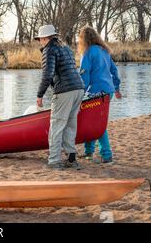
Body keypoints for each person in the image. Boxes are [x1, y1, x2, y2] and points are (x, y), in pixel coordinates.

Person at [35, 24, 85, 170]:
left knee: (56, 126)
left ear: (45, 38)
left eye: (40, 39)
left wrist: (40, 95)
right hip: (78, 88)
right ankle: (71, 159)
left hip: (65, 91)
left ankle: (54, 161)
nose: (40, 42)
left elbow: (47, 74)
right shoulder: (65, 48)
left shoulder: (49, 50)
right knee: (70, 125)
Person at [78, 26, 122, 164]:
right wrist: (117, 88)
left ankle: (106, 155)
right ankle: (89, 152)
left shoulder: (87, 53)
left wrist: (80, 94)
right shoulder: (105, 51)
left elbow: (84, 76)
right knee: (92, 121)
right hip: (108, 91)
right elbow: (114, 71)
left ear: (83, 39)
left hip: (96, 92)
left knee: (96, 123)